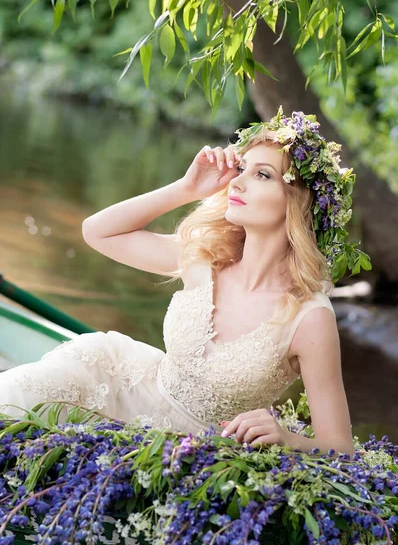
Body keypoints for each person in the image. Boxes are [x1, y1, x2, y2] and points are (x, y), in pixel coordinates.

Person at [0, 107, 367, 457]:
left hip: (191, 453)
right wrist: (186, 189)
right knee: (12, 404)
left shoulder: (309, 317)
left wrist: (287, 438)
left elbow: (341, 448)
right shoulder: (207, 256)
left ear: (298, 203)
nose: (237, 181)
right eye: (242, 167)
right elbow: (98, 232)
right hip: (119, 388)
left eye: (261, 174)